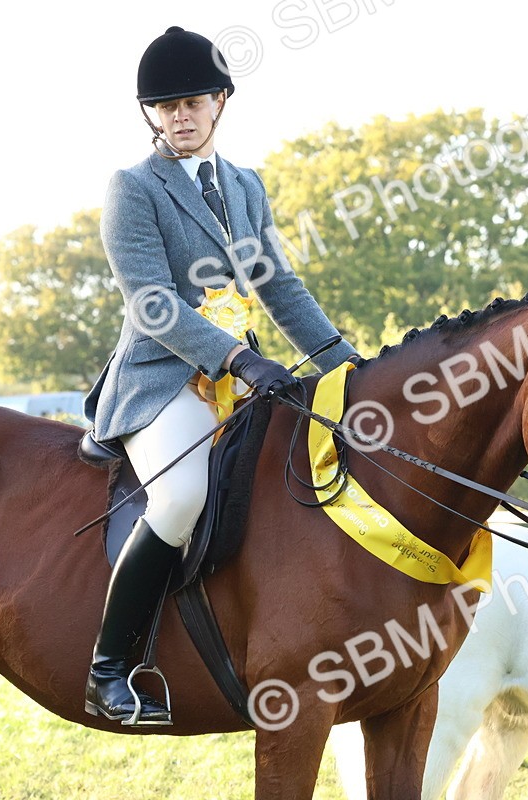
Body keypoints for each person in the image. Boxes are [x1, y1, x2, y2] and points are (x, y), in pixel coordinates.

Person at [81, 26, 357, 725]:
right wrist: (237, 356)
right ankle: (109, 670)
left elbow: (280, 288)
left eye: (191, 101)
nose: (178, 115)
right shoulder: (132, 188)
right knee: (178, 499)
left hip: (243, 381)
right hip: (159, 381)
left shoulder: (243, 186)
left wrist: (346, 367)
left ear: (220, 101)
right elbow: (152, 302)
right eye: (164, 105)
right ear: (150, 113)